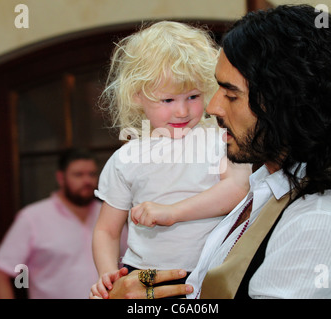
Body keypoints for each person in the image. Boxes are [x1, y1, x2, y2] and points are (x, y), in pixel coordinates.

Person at [90, 5, 331, 299]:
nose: (212, 108)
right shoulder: (265, 188)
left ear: (283, 102)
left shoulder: (318, 222)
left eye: (231, 95)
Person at [92, 21, 251, 298]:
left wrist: (172, 212)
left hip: (211, 272)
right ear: (137, 96)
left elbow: (237, 189)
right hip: (142, 278)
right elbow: (106, 230)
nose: (182, 111)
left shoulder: (220, 139)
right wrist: (108, 275)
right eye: (167, 100)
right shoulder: (127, 158)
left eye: (193, 96)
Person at [0, 148, 128, 299]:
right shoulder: (32, 217)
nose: (87, 181)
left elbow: (127, 266)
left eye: (92, 174)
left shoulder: (111, 214)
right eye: (78, 175)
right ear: (61, 178)